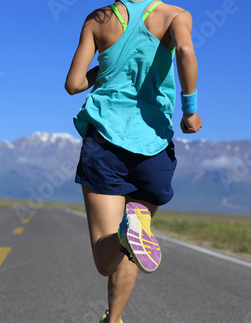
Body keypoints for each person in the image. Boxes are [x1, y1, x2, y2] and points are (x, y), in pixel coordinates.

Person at [65, 1, 202, 322]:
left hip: (104, 139)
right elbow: (184, 49)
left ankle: (127, 233)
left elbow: (73, 85)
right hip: (153, 144)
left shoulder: (99, 19)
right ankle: (113, 320)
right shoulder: (175, 15)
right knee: (134, 241)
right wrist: (190, 108)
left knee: (107, 254)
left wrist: (108, 68)